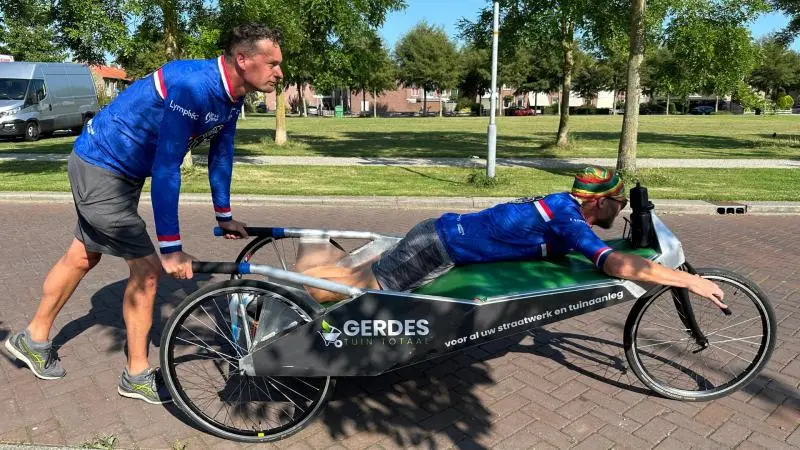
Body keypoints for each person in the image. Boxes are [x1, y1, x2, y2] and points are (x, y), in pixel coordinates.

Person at [5, 23, 284, 405]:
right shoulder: (193, 86)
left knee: (83, 254)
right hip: (100, 165)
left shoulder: (231, 97)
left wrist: (224, 214)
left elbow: (222, 153)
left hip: (120, 171)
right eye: (272, 63)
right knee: (149, 269)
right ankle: (135, 375)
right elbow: (167, 166)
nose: (279, 72)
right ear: (243, 59)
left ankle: (32, 338)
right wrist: (171, 249)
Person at [301, 167, 727, 310]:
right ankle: (268, 308)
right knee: (347, 289)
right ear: (597, 204)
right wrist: (690, 280)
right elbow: (616, 265)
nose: (622, 210)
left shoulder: (564, 203)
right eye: (618, 202)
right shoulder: (570, 222)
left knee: (353, 274)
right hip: (439, 247)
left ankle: (276, 291)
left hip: (438, 230)